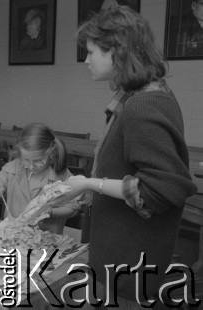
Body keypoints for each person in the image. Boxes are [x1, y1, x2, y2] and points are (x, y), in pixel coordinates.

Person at [47, 5, 197, 307]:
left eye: (91, 52)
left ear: (116, 51)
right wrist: (84, 189)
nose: (86, 60)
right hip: (118, 258)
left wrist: (90, 185)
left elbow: (160, 191)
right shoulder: (137, 97)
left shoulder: (145, 104)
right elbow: (122, 169)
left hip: (130, 266)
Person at [0, 123, 82, 235]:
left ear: (50, 153)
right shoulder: (13, 168)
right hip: (12, 235)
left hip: (47, 238)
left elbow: (72, 208)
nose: (31, 166)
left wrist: (49, 211)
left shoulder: (61, 175)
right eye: (25, 160)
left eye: (38, 161)